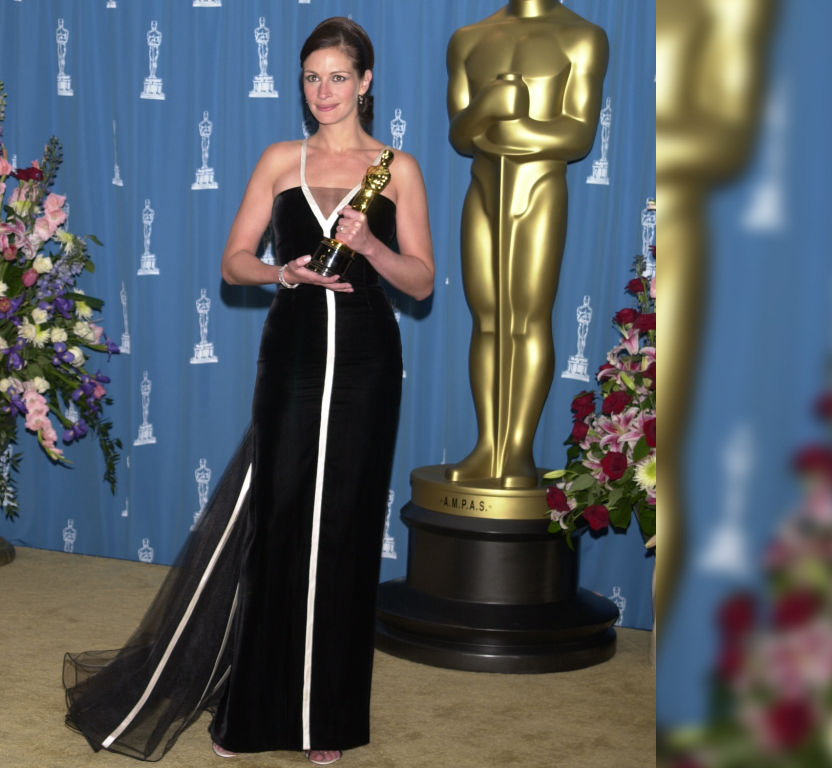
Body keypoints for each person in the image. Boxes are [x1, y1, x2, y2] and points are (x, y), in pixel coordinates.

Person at [62, 16, 434, 766]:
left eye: (337, 76)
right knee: (281, 520)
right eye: (311, 77)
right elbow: (234, 261)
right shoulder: (278, 160)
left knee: (347, 530)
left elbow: (421, 281)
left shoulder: (398, 169)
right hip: (293, 355)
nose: (323, 91)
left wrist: (369, 245)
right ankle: (251, 712)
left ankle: (325, 722)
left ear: (365, 82)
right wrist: (281, 272)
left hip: (366, 358)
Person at [443, 0, 607, 487]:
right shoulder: (469, 37)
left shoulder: (582, 36)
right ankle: (487, 445)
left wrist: (512, 126)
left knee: (528, 317)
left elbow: (578, 134)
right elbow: (459, 134)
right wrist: (485, 109)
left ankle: (516, 449)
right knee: (489, 319)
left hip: (538, 188)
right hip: (483, 189)